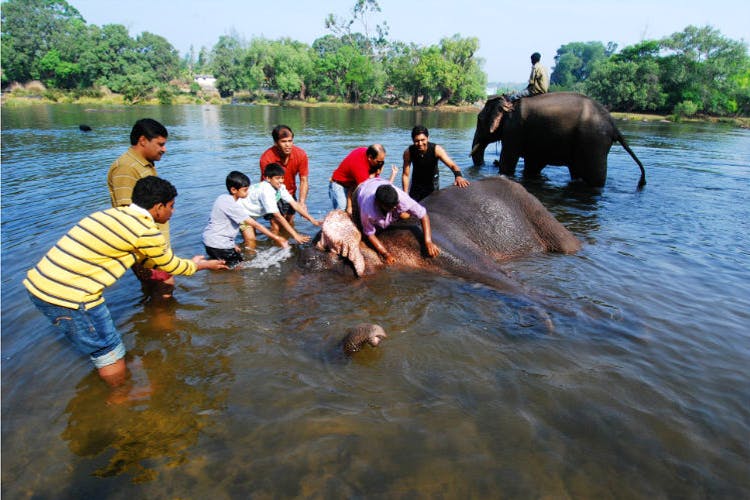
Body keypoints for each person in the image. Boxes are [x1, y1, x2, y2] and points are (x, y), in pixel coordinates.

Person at [24, 176, 228, 388]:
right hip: (72, 296)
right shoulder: (146, 230)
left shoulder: (112, 214)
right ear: (158, 207)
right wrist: (201, 265)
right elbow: (171, 266)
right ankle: (121, 399)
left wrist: (184, 263)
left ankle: (122, 371)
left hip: (40, 286)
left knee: (104, 344)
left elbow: (148, 260)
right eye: (171, 206)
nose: (173, 212)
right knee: (107, 349)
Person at [107, 118, 175, 300]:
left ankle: (153, 321)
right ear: (143, 140)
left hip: (154, 244)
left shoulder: (143, 164)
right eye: (160, 144)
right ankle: (165, 326)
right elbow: (127, 214)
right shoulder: (126, 168)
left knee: (155, 289)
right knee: (165, 287)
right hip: (146, 247)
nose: (164, 149)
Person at [202, 171, 290, 266]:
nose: (247, 193)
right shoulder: (234, 206)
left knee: (221, 265)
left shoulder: (221, 198)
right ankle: (202, 265)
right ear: (233, 190)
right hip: (219, 245)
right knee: (238, 268)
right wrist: (277, 238)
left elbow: (217, 224)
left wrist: (231, 245)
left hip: (209, 241)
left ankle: (210, 269)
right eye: (245, 190)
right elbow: (255, 224)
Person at [353, 176, 440, 265]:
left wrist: (428, 241)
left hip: (380, 185)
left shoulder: (401, 198)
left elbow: (423, 215)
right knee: (361, 232)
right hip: (362, 190)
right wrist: (386, 254)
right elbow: (370, 234)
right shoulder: (367, 209)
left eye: (395, 205)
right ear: (379, 204)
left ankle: (390, 215)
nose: (394, 207)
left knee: (400, 215)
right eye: (391, 206)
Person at [238, 163, 320, 248]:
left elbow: (295, 204)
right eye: (277, 178)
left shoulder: (280, 187)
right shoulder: (266, 191)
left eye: (282, 177)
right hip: (242, 212)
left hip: (252, 212)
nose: (281, 180)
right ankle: (246, 259)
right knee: (251, 241)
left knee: (254, 239)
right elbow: (277, 216)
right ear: (268, 178)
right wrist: (295, 235)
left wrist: (312, 220)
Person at [259, 125, 310, 227]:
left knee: (289, 222)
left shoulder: (300, 154)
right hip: (273, 193)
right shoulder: (267, 158)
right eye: (283, 141)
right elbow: (268, 185)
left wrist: (302, 202)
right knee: (276, 224)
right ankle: (275, 242)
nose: (288, 145)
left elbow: (304, 180)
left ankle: (289, 240)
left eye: (290, 141)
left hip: (290, 191)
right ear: (276, 143)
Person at [402, 125, 470, 201]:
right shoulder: (408, 152)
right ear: (412, 140)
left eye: (423, 140)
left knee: (432, 207)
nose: (420, 143)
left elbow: (452, 165)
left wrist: (458, 176)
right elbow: (405, 175)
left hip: (432, 183)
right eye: (417, 141)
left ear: (428, 138)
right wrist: (405, 193)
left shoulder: (436, 150)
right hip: (416, 183)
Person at [329, 144, 386, 213]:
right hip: (339, 184)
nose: (381, 164)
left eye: (382, 161)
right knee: (341, 211)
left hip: (351, 184)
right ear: (370, 157)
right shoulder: (359, 167)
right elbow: (366, 191)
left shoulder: (367, 152)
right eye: (378, 162)